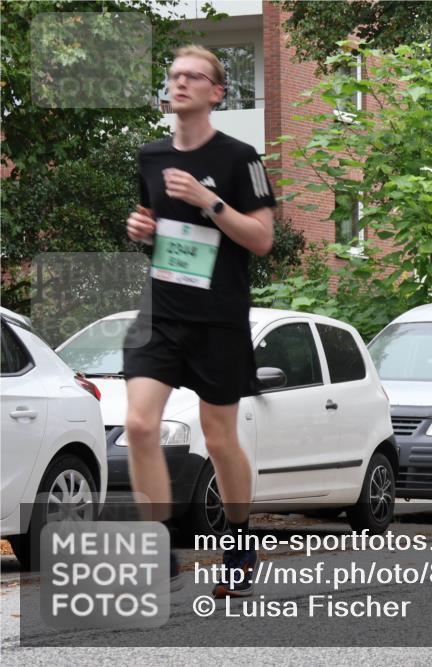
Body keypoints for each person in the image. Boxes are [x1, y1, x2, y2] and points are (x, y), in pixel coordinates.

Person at [123, 45, 275, 597]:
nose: (180, 83)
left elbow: (261, 240)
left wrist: (210, 202)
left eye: (194, 77)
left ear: (216, 92)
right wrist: (143, 232)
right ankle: (158, 541)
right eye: (174, 75)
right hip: (162, 312)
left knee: (219, 439)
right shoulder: (150, 156)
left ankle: (238, 537)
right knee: (139, 425)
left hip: (218, 317)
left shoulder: (240, 158)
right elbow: (162, 234)